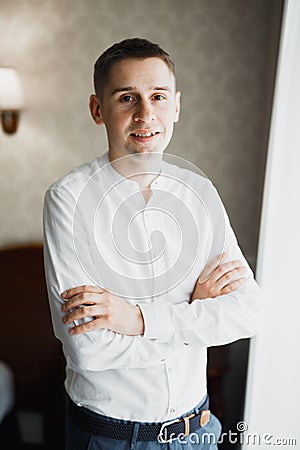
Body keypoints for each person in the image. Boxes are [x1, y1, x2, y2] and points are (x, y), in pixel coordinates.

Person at [43, 38, 260, 450]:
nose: (146, 113)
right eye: (127, 98)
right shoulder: (68, 200)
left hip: (200, 432)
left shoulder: (200, 192)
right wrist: (195, 313)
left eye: (158, 96)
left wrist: (137, 319)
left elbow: (249, 312)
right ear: (97, 109)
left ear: (175, 106)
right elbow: (89, 350)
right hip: (112, 440)